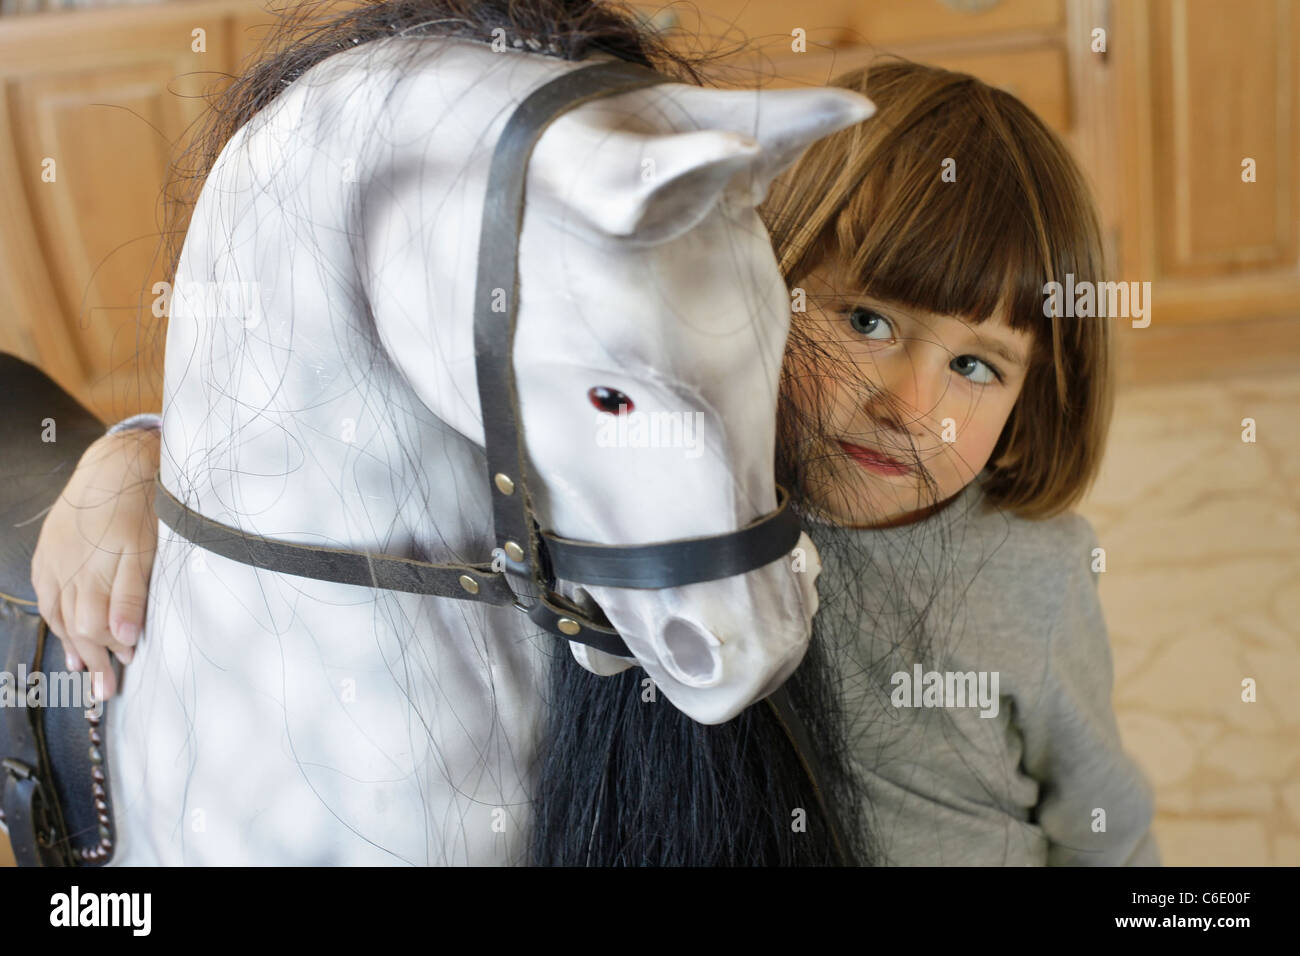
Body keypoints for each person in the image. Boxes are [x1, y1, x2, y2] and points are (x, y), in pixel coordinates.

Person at [29, 54, 1159, 865]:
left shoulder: (1036, 572)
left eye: (978, 367)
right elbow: (375, 452)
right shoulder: (635, 482)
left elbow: (1099, 812)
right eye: (865, 321)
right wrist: (138, 454)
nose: (906, 401)